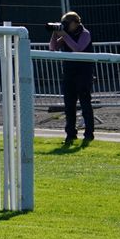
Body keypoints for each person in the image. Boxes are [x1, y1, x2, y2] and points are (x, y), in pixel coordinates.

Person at [50, 11, 95, 143]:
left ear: (75, 23)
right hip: (69, 72)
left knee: (85, 103)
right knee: (69, 105)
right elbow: (52, 48)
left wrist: (64, 35)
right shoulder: (66, 35)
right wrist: (55, 33)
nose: (64, 26)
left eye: (66, 24)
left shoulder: (85, 33)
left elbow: (78, 49)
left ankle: (89, 133)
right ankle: (70, 134)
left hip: (84, 72)